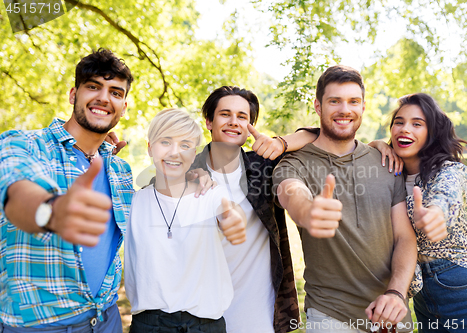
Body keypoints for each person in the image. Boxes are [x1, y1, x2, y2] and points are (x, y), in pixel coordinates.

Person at [272, 65, 417, 333]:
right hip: (330, 315)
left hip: (390, 312)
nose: (344, 109)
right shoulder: (293, 164)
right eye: (334, 101)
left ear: (363, 106)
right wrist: (307, 211)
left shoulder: (386, 161)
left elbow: (404, 238)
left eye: (353, 101)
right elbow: (291, 193)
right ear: (318, 106)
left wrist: (396, 293)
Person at [0, 49, 134, 332]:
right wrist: (52, 212)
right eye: (93, 87)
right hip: (40, 325)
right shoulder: (23, 144)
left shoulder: (120, 171)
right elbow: (17, 195)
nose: (104, 98)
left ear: (123, 107)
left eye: (116, 92)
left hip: (106, 318)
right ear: (74, 95)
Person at [188, 86, 323, 333]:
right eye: (224, 114)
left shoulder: (265, 167)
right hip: (199, 312)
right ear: (208, 121)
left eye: (242, 117)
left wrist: (280, 143)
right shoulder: (187, 173)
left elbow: (318, 135)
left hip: (258, 312)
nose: (234, 122)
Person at [124, 109, 247, 332]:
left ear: (194, 153)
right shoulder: (133, 203)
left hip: (205, 325)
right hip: (150, 325)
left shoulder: (210, 194)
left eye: (185, 145)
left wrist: (233, 219)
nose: (174, 152)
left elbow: (229, 212)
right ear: (150, 147)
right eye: (165, 142)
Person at [386, 93, 467, 332]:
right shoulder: (387, 175)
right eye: (399, 122)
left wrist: (435, 213)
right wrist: (377, 145)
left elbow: (446, 196)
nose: (405, 129)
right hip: (423, 300)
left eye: (417, 124)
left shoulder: (452, 171)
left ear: (432, 133)